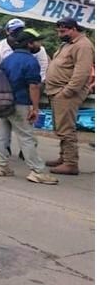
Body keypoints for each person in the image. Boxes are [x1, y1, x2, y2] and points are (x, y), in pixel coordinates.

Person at [0, 29, 59, 184]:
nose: (40, 45)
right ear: (29, 43)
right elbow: (34, 86)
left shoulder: (8, 59)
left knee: (1, 135)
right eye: (37, 42)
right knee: (27, 137)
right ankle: (37, 171)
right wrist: (35, 107)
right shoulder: (30, 61)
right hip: (20, 102)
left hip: (2, 101)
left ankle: (0, 166)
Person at [44, 17, 95, 175]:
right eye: (59, 31)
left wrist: (67, 91)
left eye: (63, 31)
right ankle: (64, 157)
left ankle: (71, 163)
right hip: (57, 91)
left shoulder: (83, 45)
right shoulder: (67, 44)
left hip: (67, 92)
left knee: (66, 128)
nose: (60, 34)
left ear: (74, 29)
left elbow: (82, 72)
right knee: (60, 126)